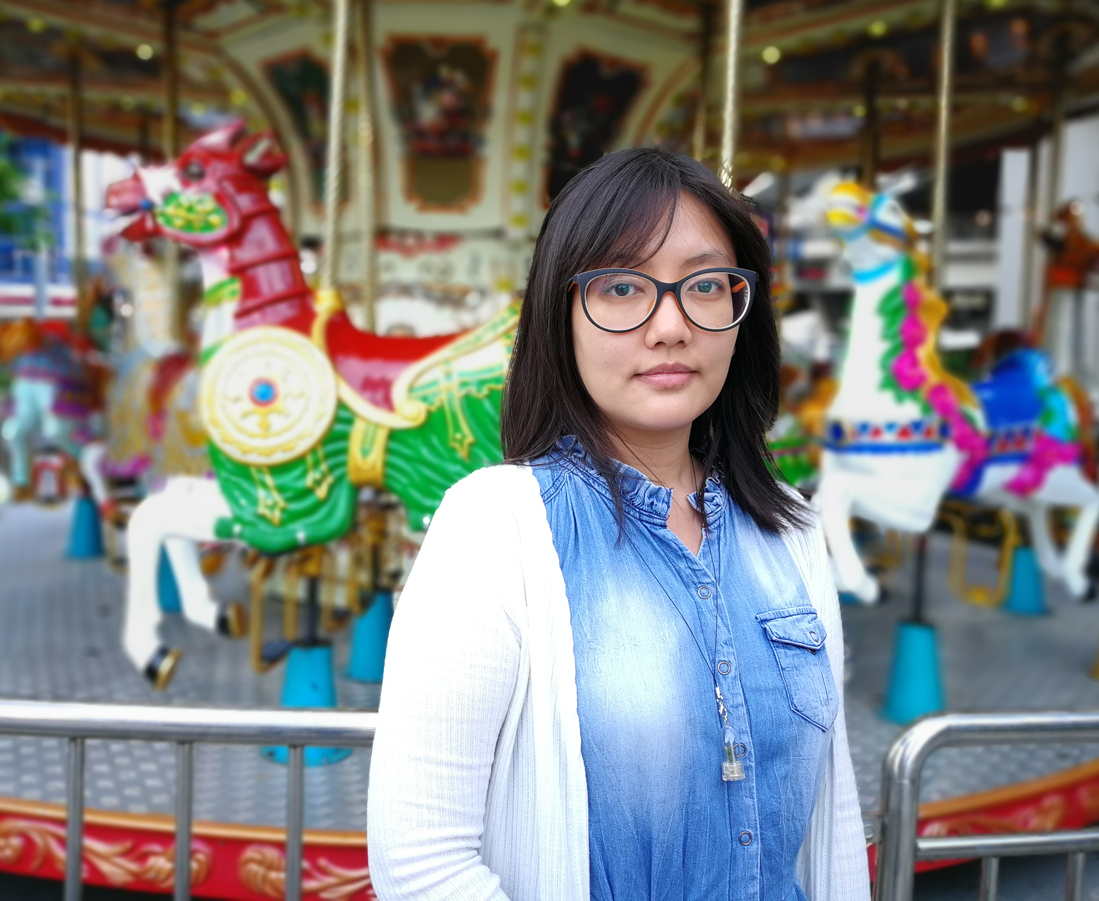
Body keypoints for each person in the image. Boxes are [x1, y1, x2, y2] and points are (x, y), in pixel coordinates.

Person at [368, 148, 869, 901]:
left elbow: (830, 822)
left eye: (706, 285)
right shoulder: (497, 528)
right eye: (623, 287)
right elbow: (421, 866)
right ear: (560, 314)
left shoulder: (790, 530)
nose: (670, 326)